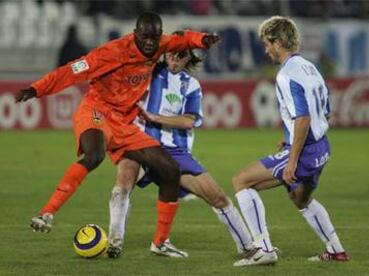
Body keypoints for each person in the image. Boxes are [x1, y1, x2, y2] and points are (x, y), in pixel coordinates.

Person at [15, 12, 219, 255]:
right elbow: (71, 70)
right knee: (94, 156)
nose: (150, 43)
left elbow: (183, 39)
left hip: (124, 122)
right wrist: (36, 89)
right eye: (145, 37)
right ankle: (46, 214)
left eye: (154, 37)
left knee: (170, 170)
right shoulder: (111, 52)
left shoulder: (161, 43)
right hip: (97, 111)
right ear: (135, 33)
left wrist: (203, 39)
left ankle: (160, 243)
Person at [107, 49, 255, 259]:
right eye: (170, 54)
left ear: (188, 58)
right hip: (140, 142)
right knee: (124, 180)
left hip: (174, 150)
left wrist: (154, 117)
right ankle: (114, 242)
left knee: (217, 196)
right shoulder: (148, 72)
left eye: (180, 56)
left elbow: (188, 120)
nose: (174, 59)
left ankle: (248, 246)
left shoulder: (191, 85)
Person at [231, 16, 349, 266]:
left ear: (277, 42)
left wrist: (292, 160)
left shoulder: (286, 74)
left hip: (305, 151)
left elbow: (303, 118)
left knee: (241, 181)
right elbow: (324, 109)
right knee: (300, 199)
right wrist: (288, 139)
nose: (266, 50)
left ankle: (263, 250)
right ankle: (336, 250)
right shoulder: (310, 67)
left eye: (267, 43)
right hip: (321, 147)